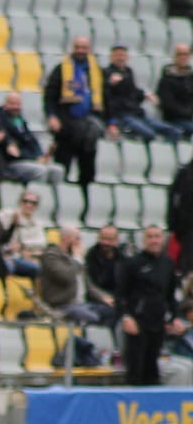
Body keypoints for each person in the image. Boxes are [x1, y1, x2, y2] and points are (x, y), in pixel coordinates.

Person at [115, 224, 181, 386]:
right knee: (136, 369)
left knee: (153, 368)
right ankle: (133, 400)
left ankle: (152, 399)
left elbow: (170, 294)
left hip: (158, 322)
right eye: (150, 237)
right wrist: (126, 317)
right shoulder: (133, 264)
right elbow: (120, 295)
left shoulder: (167, 263)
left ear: (162, 239)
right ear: (144, 240)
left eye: (157, 236)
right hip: (137, 323)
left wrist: (173, 317)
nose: (154, 240)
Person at [44, 36, 106, 189]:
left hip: (88, 127)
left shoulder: (96, 71)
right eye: (77, 47)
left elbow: (105, 97)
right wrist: (52, 116)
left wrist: (110, 122)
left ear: (89, 49)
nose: (80, 51)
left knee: (88, 171)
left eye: (83, 48)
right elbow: (50, 96)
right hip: (67, 126)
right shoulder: (61, 69)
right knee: (62, 166)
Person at [37, 226, 115, 325]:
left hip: (83, 304)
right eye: (77, 238)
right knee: (91, 317)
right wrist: (77, 259)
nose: (79, 242)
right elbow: (66, 277)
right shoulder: (51, 256)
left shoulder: (74, 258)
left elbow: (88, 285)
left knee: (113, 312)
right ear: (67, 238)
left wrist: (104, 298)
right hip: (63, 305)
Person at [103, 44, 181, 144]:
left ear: (127, 57)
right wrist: (110, 84)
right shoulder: (106, 73)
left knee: (173, 131)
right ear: (111, 57)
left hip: (137, 114)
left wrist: (145, 94)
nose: (120, 58)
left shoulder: (128, 72)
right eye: (117, 55)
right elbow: (107, 98)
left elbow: (134, 93)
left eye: (122, 55)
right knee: (149, 134)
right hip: (122, 116)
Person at [0, 91, 62, 185]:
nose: (16, 107)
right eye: (12, 104)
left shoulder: (19, 120)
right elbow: (13, 151)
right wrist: (35, 159)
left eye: (18, 104)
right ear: (5, 104)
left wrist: (40, 156)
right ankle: (34, 193)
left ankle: (55, 194)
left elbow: (31, 140)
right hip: (11, 163)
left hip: (30, 159)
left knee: (58, 170)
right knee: (39, 170)